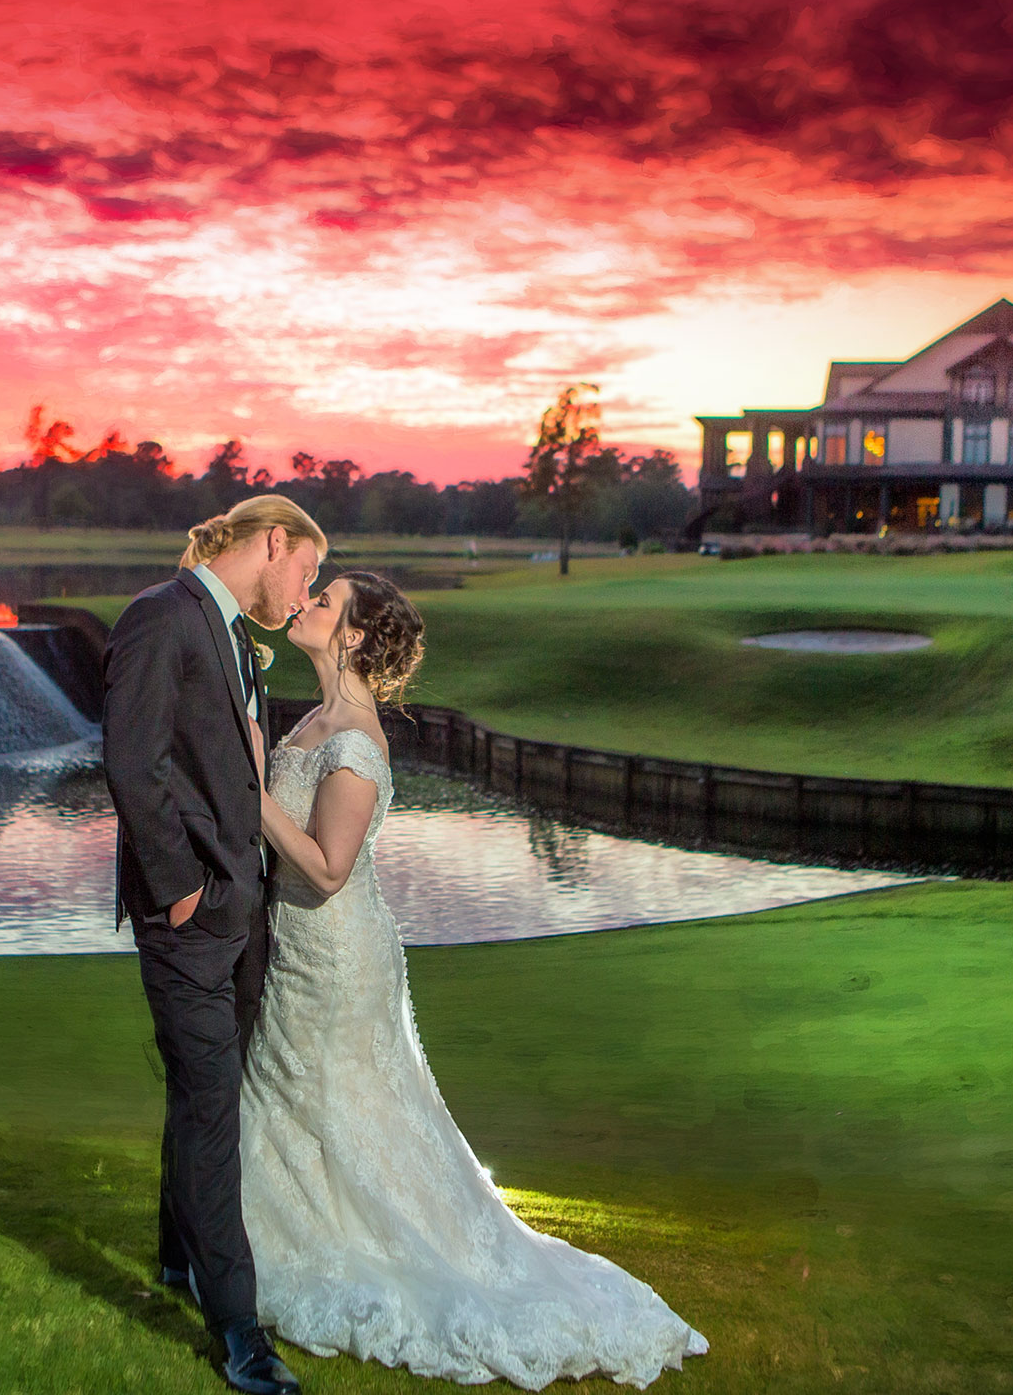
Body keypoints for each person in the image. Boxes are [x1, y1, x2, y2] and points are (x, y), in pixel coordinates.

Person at [240, 571, 709, 1390]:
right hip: (293, 949)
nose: (306, 603)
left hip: (338, 953)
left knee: (352, 1108)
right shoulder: (313, 719)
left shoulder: (355, 740)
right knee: (294, 1101)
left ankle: (382, 1252)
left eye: (325, 601)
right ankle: (275, 1233)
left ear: (351, 635)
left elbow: (326, 868)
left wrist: (249, 797)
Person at [102, 494, 325, 1395]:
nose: (307, 587)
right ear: (273, 542)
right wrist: (180, 890)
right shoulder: (163, 616)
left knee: (206, 1096)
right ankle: (239, 1330)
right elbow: (132, 763)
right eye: (307, 567)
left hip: (241, 910)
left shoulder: (233, 635)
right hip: (191, 918)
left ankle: (173, 1256)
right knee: (210, 1106)